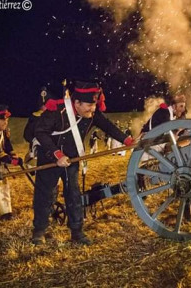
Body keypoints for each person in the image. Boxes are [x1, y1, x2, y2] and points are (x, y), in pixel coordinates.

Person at [32, 81, 134, 246]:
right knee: (45, 194)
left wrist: (127, 140)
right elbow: (41, 133)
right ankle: (39, 231)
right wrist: (56, 154)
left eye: (94, 105)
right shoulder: (56, 111)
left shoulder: (92, 113)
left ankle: (77, 232)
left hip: (72, 159)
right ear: (76, 103)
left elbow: (108, 126)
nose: (92, 109)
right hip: (50, 158)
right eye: (89, 105)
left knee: (73, 194)